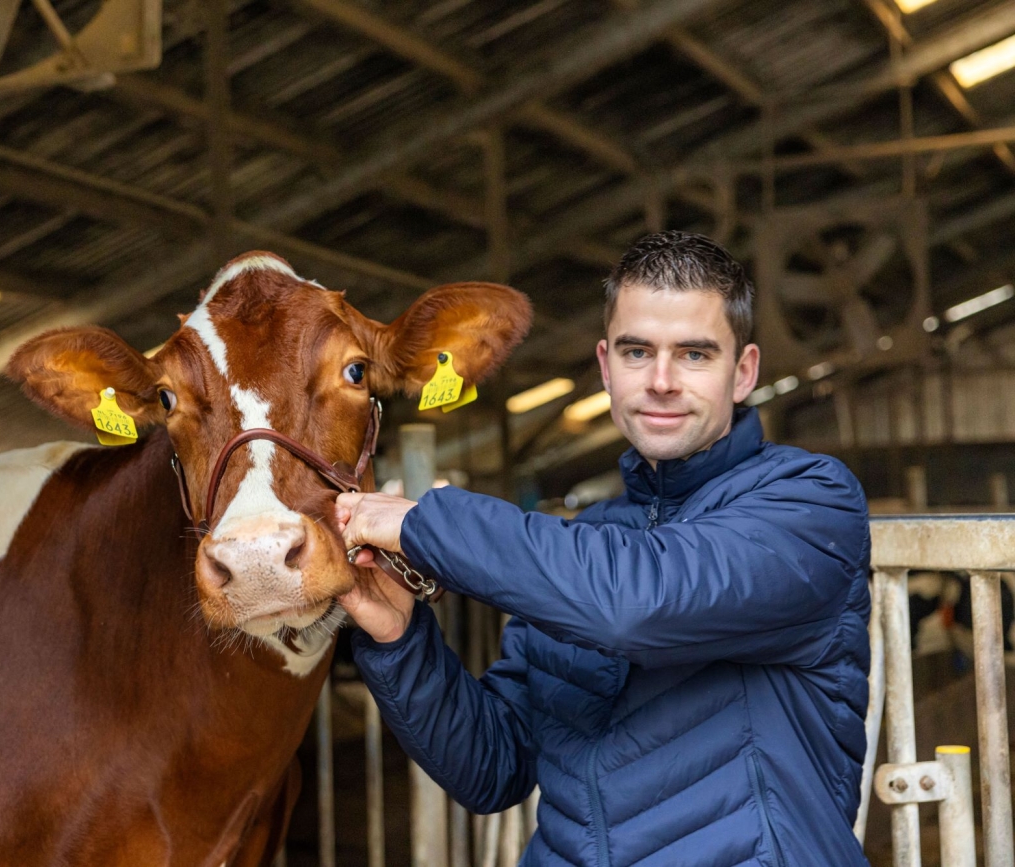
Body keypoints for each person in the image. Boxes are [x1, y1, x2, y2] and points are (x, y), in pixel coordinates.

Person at [336, 230, 871, 867]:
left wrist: (431, 523)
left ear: (744, 372)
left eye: (695, 354)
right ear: (605, 366)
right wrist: (401, 641)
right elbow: (493, 769)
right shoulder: (583, 542)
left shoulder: (809, 502)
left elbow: (636, 603)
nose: (663, 380)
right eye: (637, 351)